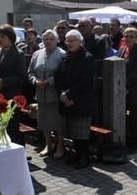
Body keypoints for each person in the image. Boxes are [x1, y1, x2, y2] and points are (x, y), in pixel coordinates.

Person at [54, 30, 96, 169]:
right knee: (72, 131)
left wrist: (70, 94)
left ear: (80, 41)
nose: (69, 43)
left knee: (81, 133)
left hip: (81, 100)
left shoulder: (87, 58)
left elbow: (86, 81)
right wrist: (62, 94)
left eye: (72, 40)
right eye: (67, 40)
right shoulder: (65, 56)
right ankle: (77, 155)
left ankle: (85, 157)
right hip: (66, 99)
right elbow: (57, 77)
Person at [28, 29, 66, 158]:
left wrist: (49, 81)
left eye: (51, 39)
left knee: (58, 123)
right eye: (45, 39)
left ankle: (60, 147)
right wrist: (34, 80)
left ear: (56, 40)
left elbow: (64, 75)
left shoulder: (62, 54)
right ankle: (48, 145)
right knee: (43, 122)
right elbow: (30, 72)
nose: (48, 41)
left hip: (55, 94)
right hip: (40, 94)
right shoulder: (37, 54)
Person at [0, 24, 27, 145]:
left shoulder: (18, 54)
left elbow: (21, 76)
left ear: (10, 38)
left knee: (12, 127)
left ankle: (16, 153)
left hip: (12, 97)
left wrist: (3, 81)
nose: (0, 39)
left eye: (3, 37)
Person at [119, 27, 137, 150]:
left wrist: (124, 84)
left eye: (131, 36)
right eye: (126, 36)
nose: (128, 38)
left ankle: (134, 144)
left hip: (135, 90)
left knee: (134, 119)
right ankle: (124, 140)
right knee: (123, 117)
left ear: (136, 38)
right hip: (122, 91)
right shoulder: (122, 50)